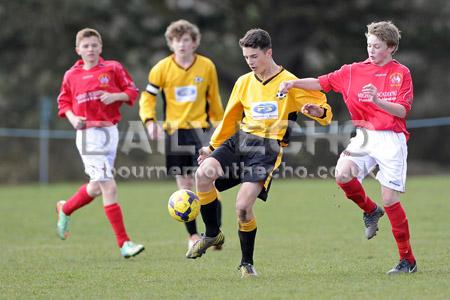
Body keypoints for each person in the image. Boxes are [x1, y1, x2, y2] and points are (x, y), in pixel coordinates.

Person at [188, 28, 332, 278]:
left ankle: (246, 264)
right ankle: (212, 233)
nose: (250, 62)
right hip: (240, 140)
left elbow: (323, 109)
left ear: (269, 53)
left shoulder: (289, 82)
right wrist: (211, 148)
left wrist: (318, 112)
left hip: (268, 148)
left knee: (243, 207)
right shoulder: (244, 82)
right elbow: (230, 117)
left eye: (254, 56)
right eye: (246, 57)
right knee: (203, 174)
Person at [279, 21, 416, 275]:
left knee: (390, 199)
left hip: (391, 138)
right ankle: (370, 210)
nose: (371, 50)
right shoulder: (352, 71)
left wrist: (377, 100)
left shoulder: (401, 73)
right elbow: (321, 82)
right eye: (369, 45)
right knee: (342, 174)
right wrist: (293, 84)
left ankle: (407, 260)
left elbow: (402, 111)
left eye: (377, 46)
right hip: (365, 134)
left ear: (391, 47)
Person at [56, 28, 144, 258]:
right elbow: (63, 103)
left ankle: (65, 209)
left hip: (110, 132)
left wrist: (115, 96)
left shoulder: (112, 68)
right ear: (78, 50)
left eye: (94, 45)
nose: (91, 49)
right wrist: (74, 118)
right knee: (109, 186)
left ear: (100, 47)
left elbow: (132, 91)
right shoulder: (71, 75)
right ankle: (124, 243)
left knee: (96, 186)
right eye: (86, 46)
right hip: (88, 135)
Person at [139, 20, 224, 252]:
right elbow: (147, 98)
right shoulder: (161, 68)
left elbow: (214, 99)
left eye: (186, 40)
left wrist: (221, 127)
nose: (182, 44)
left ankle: (214, 232)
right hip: (174, 132)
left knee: (209, 182)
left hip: (201, 132)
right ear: (171, 43)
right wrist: (149, 121)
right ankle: (193, 235)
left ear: (195, 42)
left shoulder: (206, 66)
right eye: (177, 40)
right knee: (184, 186)